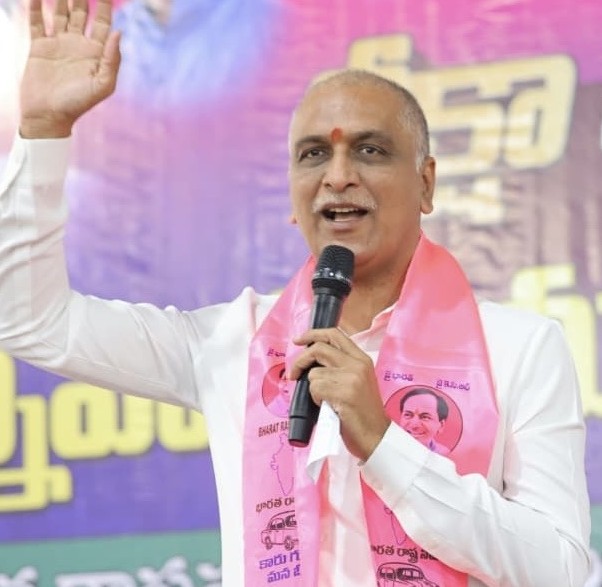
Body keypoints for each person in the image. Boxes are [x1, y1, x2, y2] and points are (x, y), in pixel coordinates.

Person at [0, 1, 591, 585]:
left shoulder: (520, 348)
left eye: (370, 150)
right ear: (292, 195)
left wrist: (385, 445)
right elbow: (30, 321)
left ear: (426, 183)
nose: (338, 175)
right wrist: (44, 132)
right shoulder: (234, 343)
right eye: (314, 154)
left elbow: (561, 569)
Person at [399, 388, 451, 455]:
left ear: (441, 425)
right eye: (408, 415)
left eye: (425, 417)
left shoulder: (444, 455)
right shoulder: (388, 446)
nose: (414, 425)